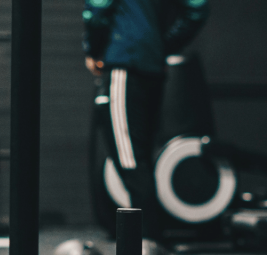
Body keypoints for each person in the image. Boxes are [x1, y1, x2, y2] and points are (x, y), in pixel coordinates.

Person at [83, 0, 209, 241]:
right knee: (140, 160)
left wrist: (93, 49)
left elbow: (98, 9)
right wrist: (163, 45)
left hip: (124, 65)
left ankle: (145, 250)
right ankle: (149, 249)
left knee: (130, 162)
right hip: (153, 69)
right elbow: (197, 9)